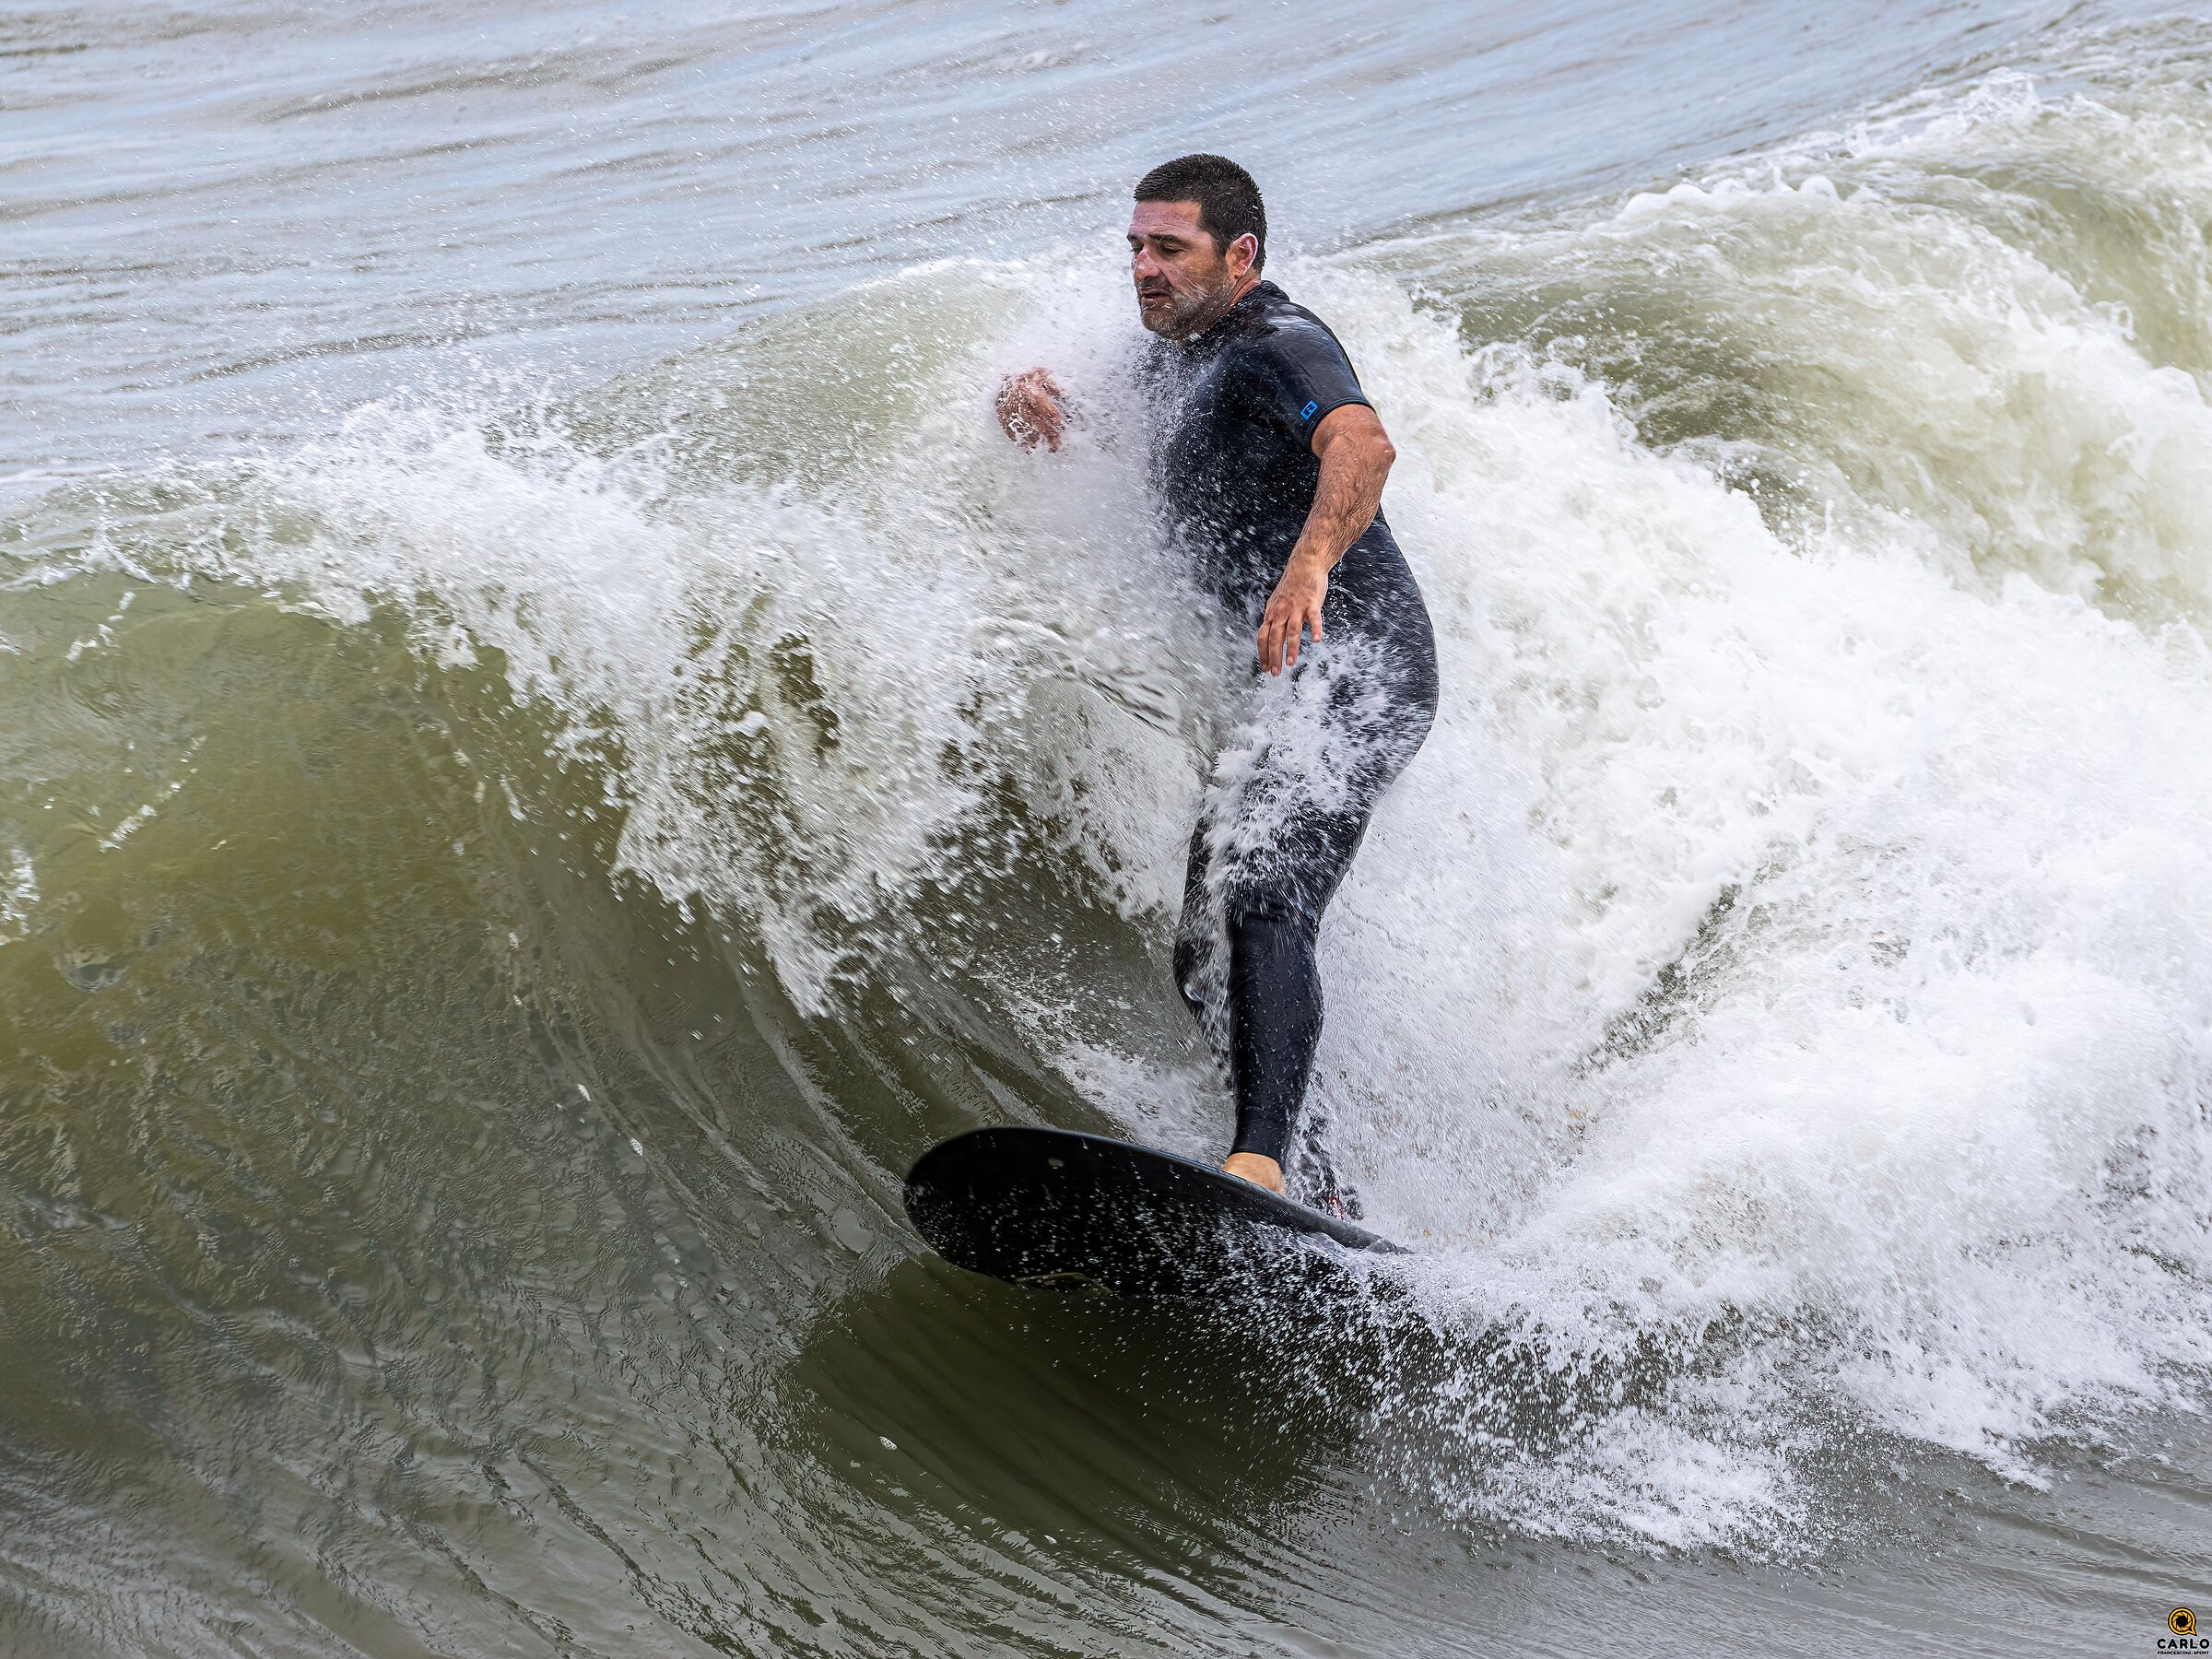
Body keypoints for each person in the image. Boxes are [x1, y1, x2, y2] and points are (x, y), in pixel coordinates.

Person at [995, 154, 1438, 1206]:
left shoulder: (1278, 343)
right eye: (1136, 248)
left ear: (1240, 255)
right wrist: (1032, 408)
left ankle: (1262, 1162)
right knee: (1203, 956)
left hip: (1363, 664)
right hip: (1291, 688)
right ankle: (1315, 1184)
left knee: (1267, 893)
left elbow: (1364, 447)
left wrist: (1310, 564)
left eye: (1170, 248)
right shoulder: (1168, 359)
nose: (1144, 268)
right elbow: (1137, 447)